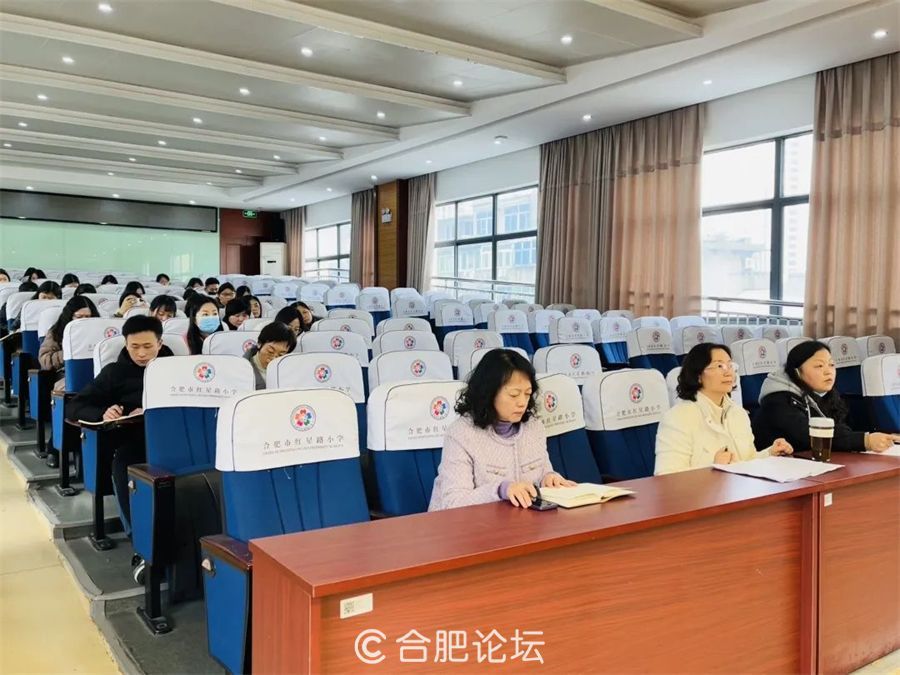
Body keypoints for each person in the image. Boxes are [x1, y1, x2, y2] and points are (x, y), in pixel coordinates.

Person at [429, 349, 575, 511]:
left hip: (519, 522)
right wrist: (501, 490)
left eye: (527, 394)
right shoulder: (461, 433)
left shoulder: (534, 427)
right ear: (489, 393)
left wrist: (549, 478)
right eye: (514, 395)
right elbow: (453, 502)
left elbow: (543, 470)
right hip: (465, 524)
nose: (522, 402)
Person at [67, 315, 173, 538]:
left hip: (171, 438)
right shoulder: (114, 373)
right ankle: (140, 538)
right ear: (125, 344)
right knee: (124, 465)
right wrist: (104, 413)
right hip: (131, 441)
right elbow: (75, 406)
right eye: (134, 347)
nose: (141, 353)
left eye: (148, 346)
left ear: (160, 343)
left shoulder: (177, 369)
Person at [655, 343, 793, 475]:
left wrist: (770, 453)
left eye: (730, 365)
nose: (728, 372)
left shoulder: (738, 413)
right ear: (698, 376)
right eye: (719, 366)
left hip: (740, 489)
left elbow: (747, 461)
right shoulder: (678, 418)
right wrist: (712, 468)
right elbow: (666, 477)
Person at [753, 341, 899, 453]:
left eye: (831, 365)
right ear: (797, 371)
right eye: (819, 366)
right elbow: (808, 435)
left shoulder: (825, 395)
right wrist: (865, 441)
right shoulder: (777, 401)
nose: (828, 372)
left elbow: (842, 430)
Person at [38, 296, 101, 467]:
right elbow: (44, 360)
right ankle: (55, 447)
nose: (84, 321)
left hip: (96, 375)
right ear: (70, 316)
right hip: (65, 375)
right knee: (71, 394)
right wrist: (69, 352)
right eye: (79, 317)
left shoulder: (99, 331)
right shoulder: (57, 331)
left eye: (88, 317)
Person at [242, 321, 296, 389]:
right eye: (270, 351)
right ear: (259, 344)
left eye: (280, 355)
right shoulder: (242, 369)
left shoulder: (291, 370)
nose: (274, 359)